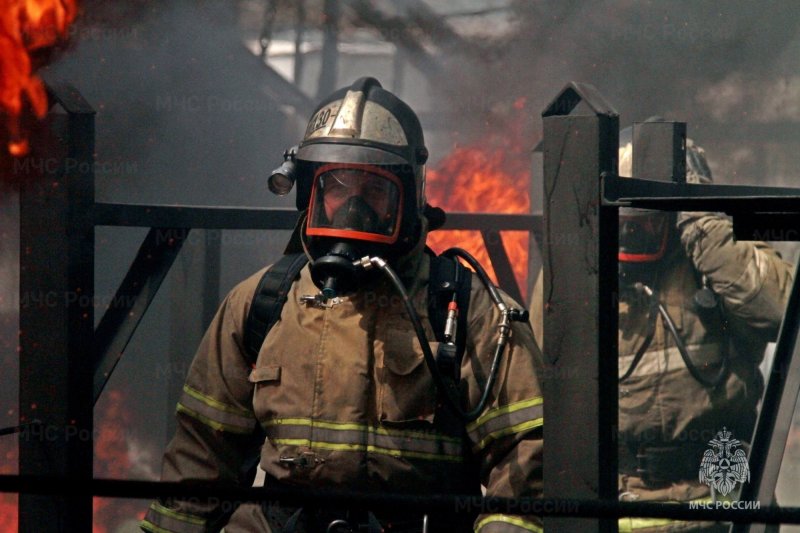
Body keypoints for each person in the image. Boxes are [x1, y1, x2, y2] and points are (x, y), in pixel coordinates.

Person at [141, 77, 545, 533]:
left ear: (408, 197)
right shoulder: (262, 304)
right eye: (338, 187)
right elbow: (201, 458)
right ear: (311, 194)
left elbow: (526, 459)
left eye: (374, 190)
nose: (354, 207)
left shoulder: (466, 311)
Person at [530, 123, 794, 532]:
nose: (634, 231)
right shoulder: (579, 271)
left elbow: (783, 310)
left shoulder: (714, 263)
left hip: (720, 500)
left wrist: (703, 226)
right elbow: (537, 385)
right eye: (627, 217)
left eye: (651, 219)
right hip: (623, 505)